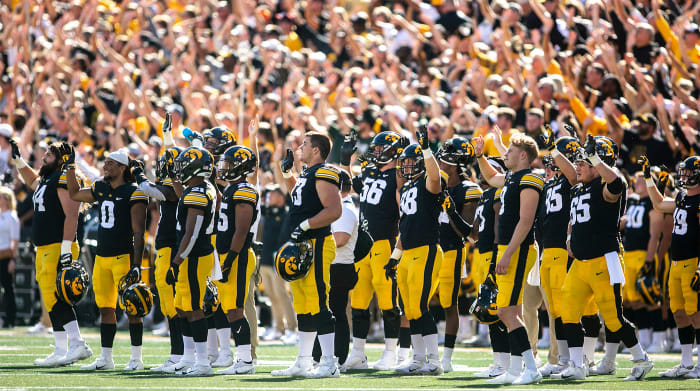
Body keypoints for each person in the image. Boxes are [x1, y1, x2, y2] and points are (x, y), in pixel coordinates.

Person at [555, 136, 653, 381]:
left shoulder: (606, 186)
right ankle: (578, 365)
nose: (578, 166)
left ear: (598, 163)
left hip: (604, 259)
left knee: (612, 317)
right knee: (567, 311)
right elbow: (573, 219)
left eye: (583, 162)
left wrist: (596, 159)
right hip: (581, 262)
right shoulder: (579, 187)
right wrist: (569, 238)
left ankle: (641, 359)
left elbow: (617, 184)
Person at [65, 147, 149, 371]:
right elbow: (74, 194)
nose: (105, 166)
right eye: (105, 162)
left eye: (110, 163)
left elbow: (139, 232)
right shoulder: (101, 186)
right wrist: (70, 168)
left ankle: (136, 358)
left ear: (122, 167)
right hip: (102, 257)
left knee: (132, 307)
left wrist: (137, 265)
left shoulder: (134, 192)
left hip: (123, 256)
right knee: (105, 308)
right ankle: (106, 358)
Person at [10, 140, 91, 366]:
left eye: (49, 154)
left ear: (61, 159)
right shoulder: (47, 179)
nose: (44, 156)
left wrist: (66, 248)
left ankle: (77, 344)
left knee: (58, 296)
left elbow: (72, 214)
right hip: (46, 247)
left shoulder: (63, 178)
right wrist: (19, 161)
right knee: (51, 298)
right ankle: (62, 349)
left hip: (58, 246)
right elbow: (33, 181)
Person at [473, 133, 544, 385]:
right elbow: (491, 177)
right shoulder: (512, 178)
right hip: (508, 248)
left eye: (511, 150)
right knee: (509, 311)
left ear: (523, 155)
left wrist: (508, 253)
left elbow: (525, 222)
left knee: (507, 311)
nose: (506, 154)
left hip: (519, 248)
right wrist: (480, 155)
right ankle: (515, 370)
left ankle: (531, 368)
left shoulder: (530, 178)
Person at [271, 132, 342, 378]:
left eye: (305, 144)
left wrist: (305, 226)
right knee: (302, 305)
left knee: (319, 300)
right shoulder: (308, 174)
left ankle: (329, 362)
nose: (300, 147)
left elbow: (334, 210)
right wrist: (288, 175)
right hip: (305, 243)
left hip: (318, 241)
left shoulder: (324, 172)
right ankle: (304, 360)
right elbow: (301, 201)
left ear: (316, 151)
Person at [340, 130, 405, 371]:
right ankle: (358, 351)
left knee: (388, 299)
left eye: (380, 149)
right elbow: (348, 186)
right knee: (358, 299)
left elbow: (403, 210)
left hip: (385, 242)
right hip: (363, 244)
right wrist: (346, 162)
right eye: (375, 148)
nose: (375, 152)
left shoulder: (399, 176)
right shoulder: (369, 172)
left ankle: (391, 351)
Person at [391, 127, 444, 375]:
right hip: (408, 252)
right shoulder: (407, 188)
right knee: (409, 309)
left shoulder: (427, 183)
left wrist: (425, 149)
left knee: (420, 306)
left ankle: (434, 360)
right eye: (405, 162)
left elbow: (436, 178)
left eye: (411, 161)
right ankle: (419, 358)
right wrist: (394, 256)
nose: (407, 166)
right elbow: (405, 226)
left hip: (426, 250)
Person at [130, 140, 186, 372]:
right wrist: (167, 136)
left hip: (172, 245)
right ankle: (180, 353)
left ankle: (180, 354)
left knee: (175, 303)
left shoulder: (178, 187)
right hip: (166, 245)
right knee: (168, 303)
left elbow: (151, 190)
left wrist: (139, 174)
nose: (163, 167)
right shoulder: (177, 183)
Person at [643, 155, 700, 378]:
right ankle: (686, 363)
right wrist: (649, 179)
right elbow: (659, 203)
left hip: (692, 263)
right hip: (675, 264)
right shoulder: (682, 197)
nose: (684, 177)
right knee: (678, 311)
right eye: (682, 173)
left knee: (696, 313)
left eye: (688, 173)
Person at [167, 146, 218, 376]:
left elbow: (192, 233)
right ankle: (189, 358)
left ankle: (203, 363)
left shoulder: (199, 192)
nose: (180, 168)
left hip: (194, 256)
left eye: (184, 164)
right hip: (189, 255)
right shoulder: (196, 188)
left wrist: (176, 261)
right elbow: (183, 199)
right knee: (182, 306)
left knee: (196, 308)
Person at [435, 137, 481, 372]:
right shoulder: (433, 183)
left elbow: (469, 232)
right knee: (419, 301)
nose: (440, 162)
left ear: (455, 162)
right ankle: (425, 354)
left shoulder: (469, 189)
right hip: (429, 249)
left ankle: (446, 359)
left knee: (448, 304)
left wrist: (451, 208)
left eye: (445, 158)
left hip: (452, 250)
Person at [537, 134, 580, 377]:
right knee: (553, 309)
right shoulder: (551, 183)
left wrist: (554, 149)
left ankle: (576, 359)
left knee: (566, 308)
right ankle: (563, 359)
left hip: (564, 252)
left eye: (556, 156)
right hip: (548, 251)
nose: (550, 162)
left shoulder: (570, 180)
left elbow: (573, 175)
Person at [215, 145, 259, 375]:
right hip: (227, 254)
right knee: (228, 308)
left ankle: (245, 361)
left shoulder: (244, 190)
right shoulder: (232, 189)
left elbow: (241, 230)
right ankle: (241, 359)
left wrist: (230, 258)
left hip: (238, 255)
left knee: (236, 310)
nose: (225, 168)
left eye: (230, 164)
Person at [313, 168, 359, 369]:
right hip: (335, 265)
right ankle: (321, 355)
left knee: (336, 313)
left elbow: (340, 239)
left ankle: (338, 357)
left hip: (339, 267)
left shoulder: (345, 209)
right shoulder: (341, 207)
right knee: (326, 311)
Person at [471, 157, 509, 378]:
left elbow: (497, 227)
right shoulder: (485, 194)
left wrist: (495, 258)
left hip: (492, 255)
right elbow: (476, 231)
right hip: (481, 254)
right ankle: (499, 361)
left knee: (497, 310)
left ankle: (505, 362)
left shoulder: (498, 193)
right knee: (489, 310)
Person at [0, 187, 19, 328]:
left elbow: (15, 240)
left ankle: (10, 318)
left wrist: (13, 259)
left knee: (8, 288)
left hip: (6, 255)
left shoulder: (12, 216)